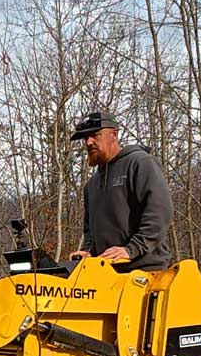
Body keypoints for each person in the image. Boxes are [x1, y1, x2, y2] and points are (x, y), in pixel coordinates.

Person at [69, 111, 173, 272]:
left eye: (95, 135)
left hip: (146, 271)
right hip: (107, 275)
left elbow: (158, 213)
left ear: (113, 135)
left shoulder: (140, 163)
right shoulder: (91, 184)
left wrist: (130, 250)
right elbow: (90, 231)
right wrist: (88, 252)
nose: (88, 142)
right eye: (85, 138)